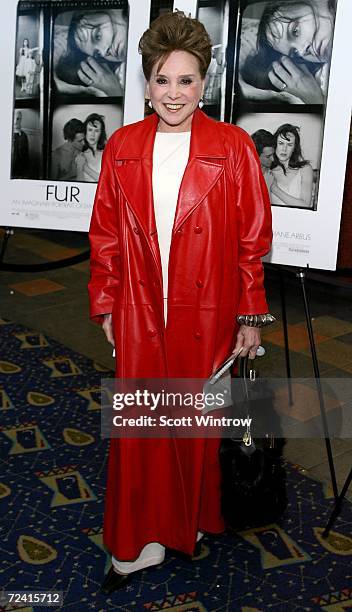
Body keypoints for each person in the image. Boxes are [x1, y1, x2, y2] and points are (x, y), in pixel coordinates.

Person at [88, 10, 273, 595]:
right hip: (142, 311)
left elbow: (252, 241)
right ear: (146, 83)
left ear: (205, 84)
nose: (174, 93)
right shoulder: (120, 146)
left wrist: (249, 315)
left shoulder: (234, 146)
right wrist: (109, 304)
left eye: (186, 80)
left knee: (192, 425)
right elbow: (106, 237)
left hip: (209, 310)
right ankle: (136, 544)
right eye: (163, 79)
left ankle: (188, 525)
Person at [241, 0, 336, 104]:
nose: (302, 51)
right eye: (294, 52)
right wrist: (314, 98)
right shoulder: (325, 76)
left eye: (295, 31)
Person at [56, 10, 126, 96]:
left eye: (98, 36)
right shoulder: (122, 74)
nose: (104, 53)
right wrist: (115, 91)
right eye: (98, 54)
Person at [270, 123, 313, 208]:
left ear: (294, 148)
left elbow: (305, 205)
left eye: (289, 145)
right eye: (281, 143)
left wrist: (275, 189)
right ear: (275, 145)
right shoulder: (268, 170)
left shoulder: (305, 169)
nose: (284, 149)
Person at [76, 113, 106, 182]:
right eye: (90, 130)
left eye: (96, 131)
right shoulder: (80, 155)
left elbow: (106, 182)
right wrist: (80, 167)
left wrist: (85, 168)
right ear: (85, 131)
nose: (92, 134)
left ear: (101, 133)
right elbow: (78, 183)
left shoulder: (106, 154)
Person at [12, 110, 29, 178]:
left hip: (20, 171)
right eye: (14, 118)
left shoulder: (24, 135)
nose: (16, 122)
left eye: (18, 119)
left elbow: (26, 156)